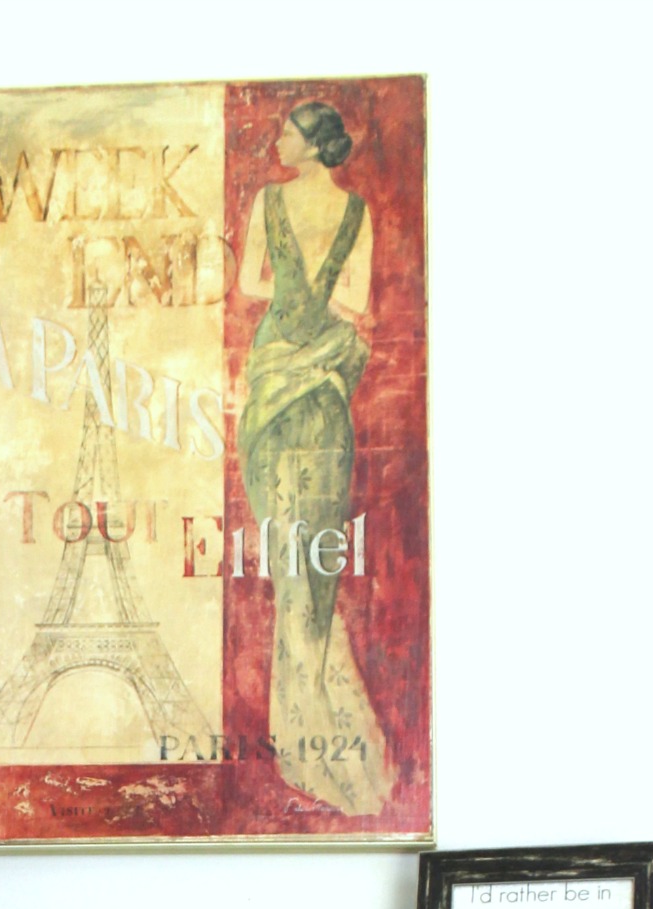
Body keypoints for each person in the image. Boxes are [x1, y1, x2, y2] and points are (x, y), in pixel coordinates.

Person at [236, 101, 393, 817]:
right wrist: (319, 303)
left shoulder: (268, 204)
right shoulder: (355, 212)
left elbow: (251, 287)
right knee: (316, 540)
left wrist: (290, 297)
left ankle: (303, 731)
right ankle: (319, 730)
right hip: (327, 376)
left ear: (313, 142)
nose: (276, 139)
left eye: (287, 132)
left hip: (274, 372)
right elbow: (355, 302)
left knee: (288, 541)